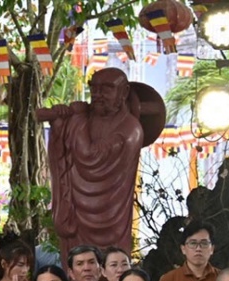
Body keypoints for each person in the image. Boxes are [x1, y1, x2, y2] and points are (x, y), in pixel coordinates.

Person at [43, 68, 157, 262]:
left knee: (110, 264)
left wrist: (77, 118)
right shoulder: (86, 119)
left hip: (110, 216)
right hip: (77, 214)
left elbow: (90, 157)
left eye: (106, 89)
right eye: (94, 89)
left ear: (124, 92)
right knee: (77, 264)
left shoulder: (130, 129)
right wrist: (62, 124)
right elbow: (65, 149)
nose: (98, 95)